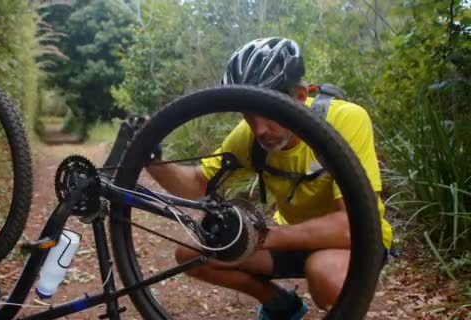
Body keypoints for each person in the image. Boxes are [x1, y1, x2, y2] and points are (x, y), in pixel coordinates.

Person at [145, 37, 393, 320]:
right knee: (192, 252)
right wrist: (152, 159)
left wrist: (262, 236)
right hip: (292, 241)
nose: (259, 129)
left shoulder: (345, 120)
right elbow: (198, 183)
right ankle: (279, 304)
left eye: (268, 115)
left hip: (354, 242)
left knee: (325, 275)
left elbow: (352, 226)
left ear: (299, 98)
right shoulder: (248, 136)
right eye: (249, 117)